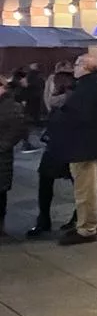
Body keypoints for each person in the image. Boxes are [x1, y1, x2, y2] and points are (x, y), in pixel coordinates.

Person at [50, 54, 97, 246]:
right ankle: (89, 222)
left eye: (77, 64)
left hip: (84, 146)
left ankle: (87, 229)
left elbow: (78, 116)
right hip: (91, 144)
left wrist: (59, 116)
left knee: (84, 190)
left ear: (85, 67)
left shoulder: (86, 89)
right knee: (88, 189)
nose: (73, 68)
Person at [26, 69, 77, 238]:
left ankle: (46, 220)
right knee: (53, 181)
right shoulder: (62, 100)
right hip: (60, 146)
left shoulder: (69, 100)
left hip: (65, 147)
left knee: (70, 184)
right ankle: (48, 219)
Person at [0, 76, 29, 236]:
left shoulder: (12, 106)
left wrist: (2, 146)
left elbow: (17, 130)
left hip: (2, 157)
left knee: (0, 192)